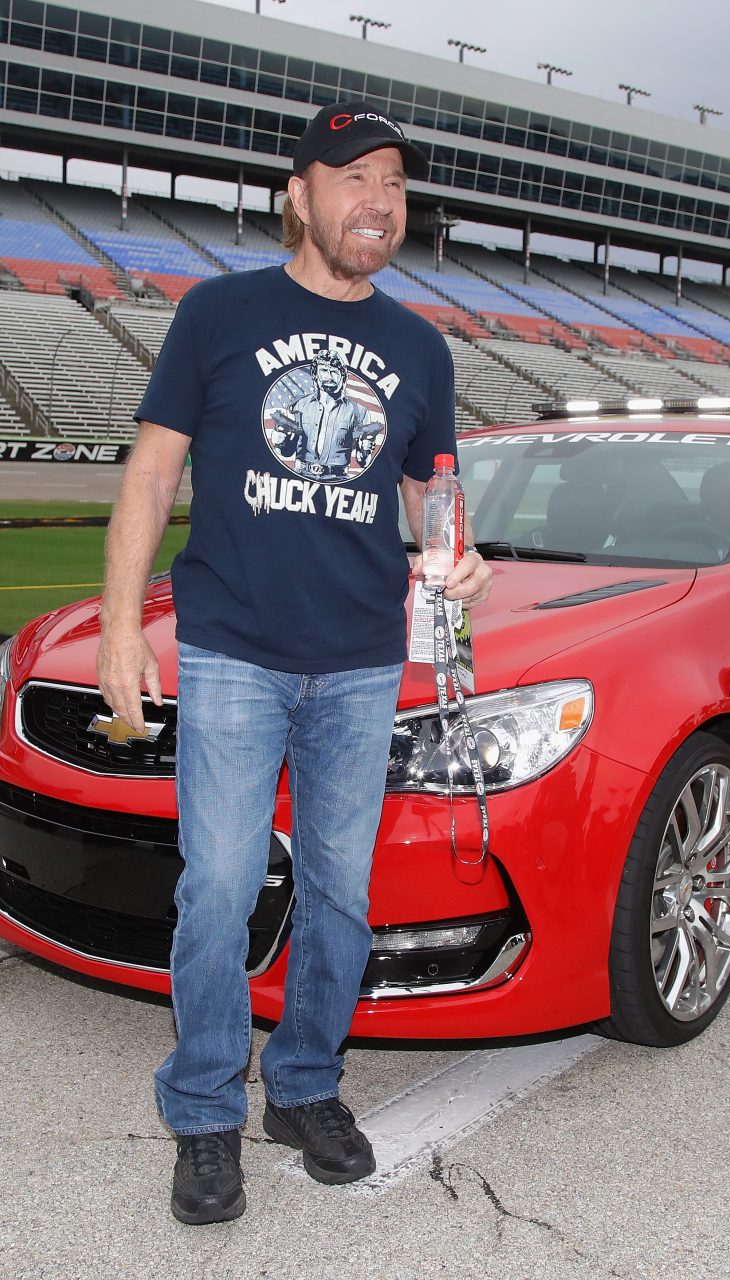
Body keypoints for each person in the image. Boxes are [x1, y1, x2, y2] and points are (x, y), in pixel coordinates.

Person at [96, 101, 493, 1226]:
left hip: (362, 658)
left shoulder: (419, 346)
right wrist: (125, 623)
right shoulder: (220, 313)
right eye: (356, 176)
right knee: (218, 885)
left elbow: (435, 495)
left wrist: (461, 563)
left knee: (340, 895)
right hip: (231, 647)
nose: (381, 200)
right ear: (301, 194)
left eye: (397, 185)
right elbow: (152, 473)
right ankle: (208, 1101)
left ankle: (305, 1084)